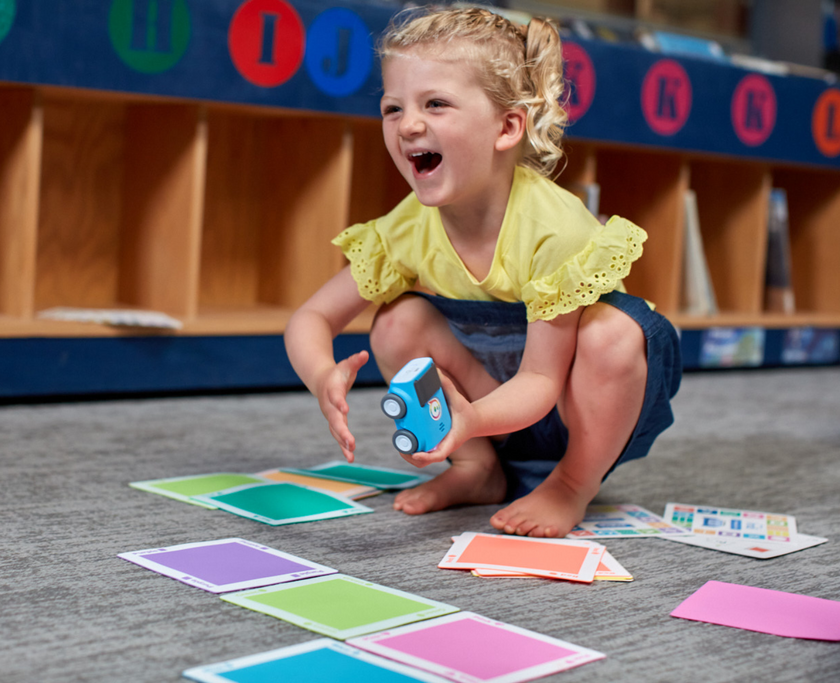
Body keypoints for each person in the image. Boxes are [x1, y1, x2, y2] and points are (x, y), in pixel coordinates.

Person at [283, 6, 681, 538]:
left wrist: (468, 418)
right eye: (392, 108)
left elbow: (541, 379)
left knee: (615, 332)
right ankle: (477, 469)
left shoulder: (554, 228)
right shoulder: (407, 226)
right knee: (397, 320)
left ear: (507, 126)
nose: (409, 125)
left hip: (572, 414)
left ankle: (571, 485)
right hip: (491, 417)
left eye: (436, 104)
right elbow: (312, 317)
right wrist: (321, 374)